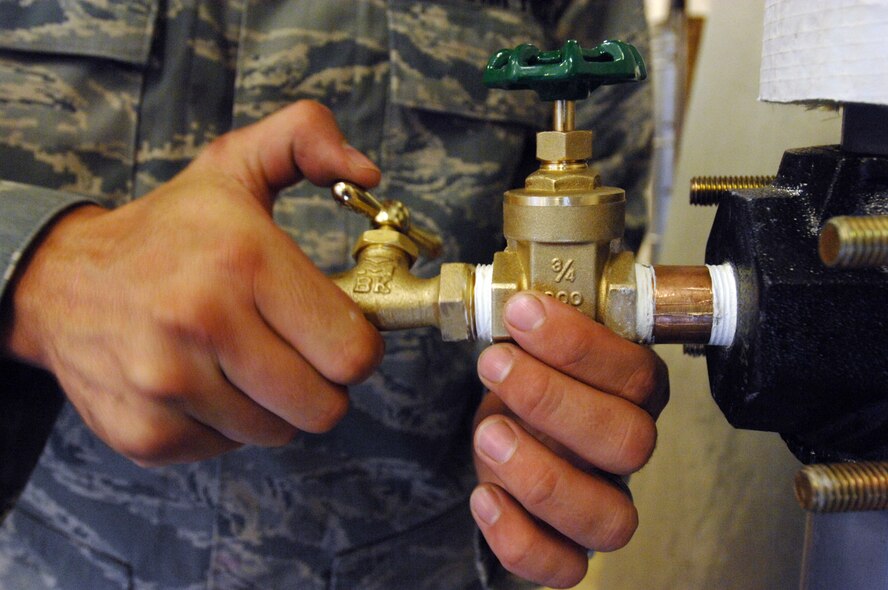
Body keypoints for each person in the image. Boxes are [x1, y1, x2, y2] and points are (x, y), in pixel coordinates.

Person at [0, 1, 665, 588]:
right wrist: (43, 269)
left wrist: (557, 422)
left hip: (422, 564)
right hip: (49, 556)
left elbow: (598, 268)